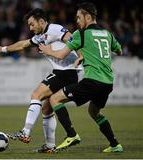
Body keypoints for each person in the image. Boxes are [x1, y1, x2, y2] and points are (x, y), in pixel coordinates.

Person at [0, 8, 82, 153]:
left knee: (36, 95)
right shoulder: (40, 36)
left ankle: (25, 131)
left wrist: (81, 56)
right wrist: (3, 49)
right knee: (46, 109)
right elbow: (23, 44)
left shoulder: (55, 29)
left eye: (32, 24)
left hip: (67, 72)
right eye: (29, 25)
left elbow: (73, 40)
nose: (30, 28)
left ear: (41, 21)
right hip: (63, 73)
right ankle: (50, 146)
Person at [39, 2, 123, 153]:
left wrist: (46, 50)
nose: (77, 21)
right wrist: (88, 57)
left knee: (54, 99)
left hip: (92, 81)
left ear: (88, 17)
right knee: (94, 111)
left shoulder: (81, 34)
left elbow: (61, 54)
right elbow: (120, 51)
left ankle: (71, 135)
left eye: (79, 17)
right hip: (108, 82)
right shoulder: (107, 34)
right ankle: (115, 144)